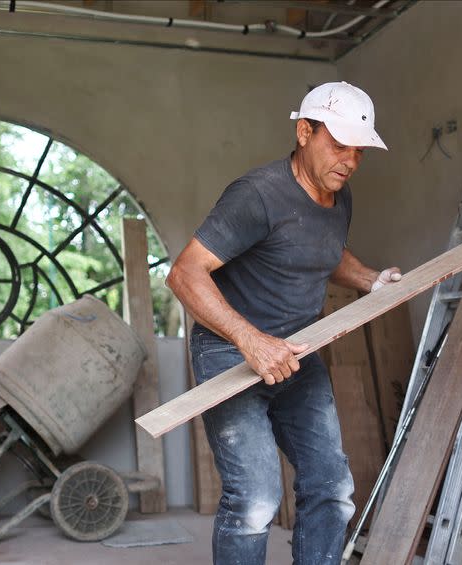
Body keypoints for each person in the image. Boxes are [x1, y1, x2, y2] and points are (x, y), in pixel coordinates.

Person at [165, 81, 402, 565]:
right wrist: (251, 341)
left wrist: (371, 279)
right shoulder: (257, 195)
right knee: (255, 500)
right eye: (338, 146)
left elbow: (321, 251)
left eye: (359, 152)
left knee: (332, 489)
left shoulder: (340, 194)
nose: (350, 161)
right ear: (303, 132)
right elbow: (184, 273)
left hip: (297, 354)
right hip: (231, 353)